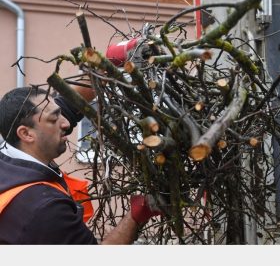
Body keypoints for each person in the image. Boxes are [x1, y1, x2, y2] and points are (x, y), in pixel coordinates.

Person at [0, 84, 160, 244]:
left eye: (60, 114)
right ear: (26, 134)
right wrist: (137, 214)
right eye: (54, 119)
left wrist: (99, 71)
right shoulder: (45, 209)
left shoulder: (11, 150)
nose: (65, 124)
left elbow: (70, 102)